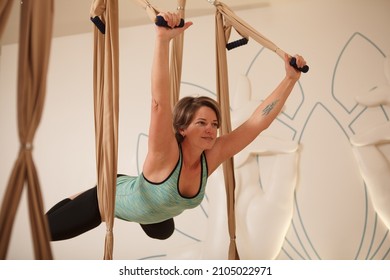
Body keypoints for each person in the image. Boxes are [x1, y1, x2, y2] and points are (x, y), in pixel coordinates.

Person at [45, 11, 307, 241]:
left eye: (215, 124)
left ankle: (132, 192)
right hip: (107, 200)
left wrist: (290, 79)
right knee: (45, 233)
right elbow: (159, 103)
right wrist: (162, 39)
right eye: (201, 123)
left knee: (163, 232)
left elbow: (254, 124)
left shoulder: (211, 156)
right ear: (182, 128)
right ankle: (92, 192)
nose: (211, 130)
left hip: (153, 209)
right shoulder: (165, 151)